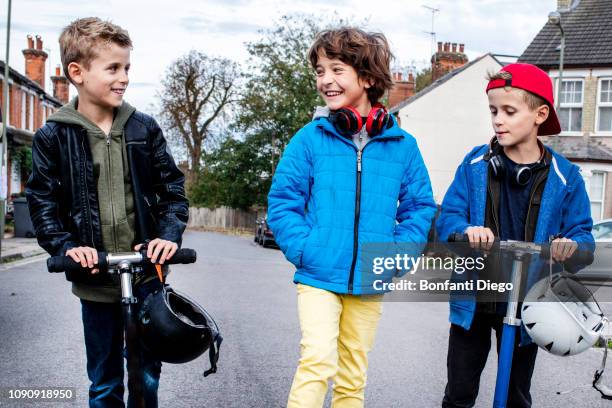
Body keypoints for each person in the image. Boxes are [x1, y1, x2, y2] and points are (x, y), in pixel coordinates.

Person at [267, 27, 436, 407]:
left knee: (352, 374)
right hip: (317, 274)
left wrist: (395, 256)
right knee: (317, 360)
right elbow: (282, 202)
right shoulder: (309, 139)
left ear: (369, 78)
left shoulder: (403, 147)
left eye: (336, 69)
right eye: (320, 71)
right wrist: (306, 248)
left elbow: (420, 208)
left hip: (370, 277)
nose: (325, 79)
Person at [26, 17, 188, 407]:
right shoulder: (54, 135)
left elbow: (172, 191)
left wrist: (167, 234)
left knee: (146, 376)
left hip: (147, 275)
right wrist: (65, 247)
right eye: (113, 68)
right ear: (77, 73)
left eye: (127, 68)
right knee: (104, 381)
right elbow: (42, 200)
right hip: (95, 280)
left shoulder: (144, 129)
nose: (124, 78)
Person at [436, 63, 594, 408]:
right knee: (459, 393)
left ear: (539, 115)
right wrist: (465, 231)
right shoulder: (474, 164)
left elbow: (584, 238)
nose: (498, 119)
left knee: (516, 397)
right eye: (493, 110)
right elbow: (448, 219)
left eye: (509, 111)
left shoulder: (566, 176)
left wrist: (572, 246)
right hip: (474, 299)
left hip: (528, 303)